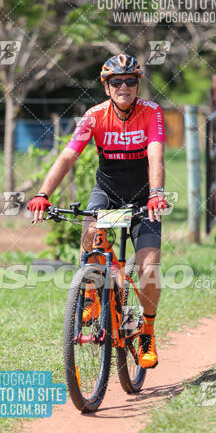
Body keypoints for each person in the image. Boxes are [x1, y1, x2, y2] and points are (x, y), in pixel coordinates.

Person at [28, 53, 168, 369]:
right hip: (107, 191)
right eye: (116, 82)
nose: (123, 86)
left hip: (143, 198)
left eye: (130, 81)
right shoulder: (93, 116)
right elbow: (66, 157)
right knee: (90, 230)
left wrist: (157, 194)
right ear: (107, 87)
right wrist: (42, 194)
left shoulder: (152, 113)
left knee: (149, 267)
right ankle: (91, 291)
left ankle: (147, 330)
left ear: (138, 85)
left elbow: (156, 156)